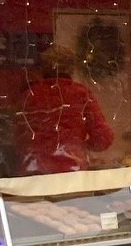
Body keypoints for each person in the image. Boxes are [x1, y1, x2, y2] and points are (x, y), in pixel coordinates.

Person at [21, 46, 114, 174]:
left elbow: (18, 136)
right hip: (73, 168)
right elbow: (103, 137)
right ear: (71, 68)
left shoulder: (29, 95)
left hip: (36, 170)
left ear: (42, 68)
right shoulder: (80, 93)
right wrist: (81, 146)